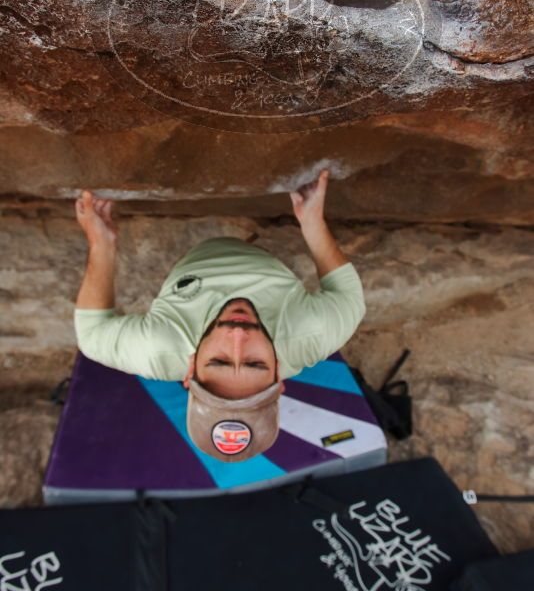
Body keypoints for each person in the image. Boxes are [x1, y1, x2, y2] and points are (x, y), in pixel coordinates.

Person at [74, 169, 366, 462]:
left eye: (219, 360)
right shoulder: (309, 334)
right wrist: (312, 223)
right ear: (279, 370)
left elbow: (92, 333)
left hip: (190, 255)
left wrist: (101, 242)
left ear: (189, 369)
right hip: (265, 254)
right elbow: (348, 297)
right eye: (254, 362)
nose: (238, 337)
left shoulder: (158, 349)